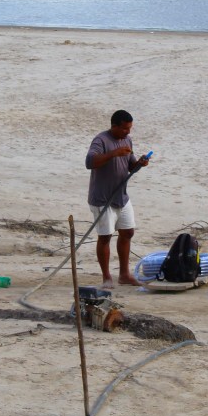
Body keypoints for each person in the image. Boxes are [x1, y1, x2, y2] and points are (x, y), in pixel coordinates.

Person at [86, 110, 150, 289]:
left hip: (121, 196)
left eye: (129, 129)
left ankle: (124, 274)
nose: (127, 132)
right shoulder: (101, 140)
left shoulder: (127, 140)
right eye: (124, 129)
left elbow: (130, 165)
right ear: (114, 126)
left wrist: (140, 164)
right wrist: (113, 153)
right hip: (102, 198)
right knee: (105, 236)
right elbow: (90, 162)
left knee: (128, 232)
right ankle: (106, 277)